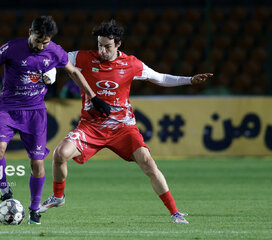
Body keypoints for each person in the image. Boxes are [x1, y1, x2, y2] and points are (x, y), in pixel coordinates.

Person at [39, 20, 213, 224]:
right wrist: (48, 75)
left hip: (123, 128)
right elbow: (54, 59)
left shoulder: (132, 63)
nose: (102, 50)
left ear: (118, 44)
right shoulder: (82, 57)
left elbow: (160, 78)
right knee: (59, 154)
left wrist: (189, 80)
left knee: (148, 163)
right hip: (91, 127)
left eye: (107, 46)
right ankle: (59, 197)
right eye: (99, 45)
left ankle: (175, 212)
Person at [0, 16, 110, 225]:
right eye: (38, 40)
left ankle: (34, 209)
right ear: (30, 32)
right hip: (8, 109)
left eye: (45, 42)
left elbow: (73, 73)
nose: (41, 45)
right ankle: (4, 189)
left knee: (37, 163)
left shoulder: (55, 51)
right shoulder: (12, 48)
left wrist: (94, 96)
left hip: (35, 113)